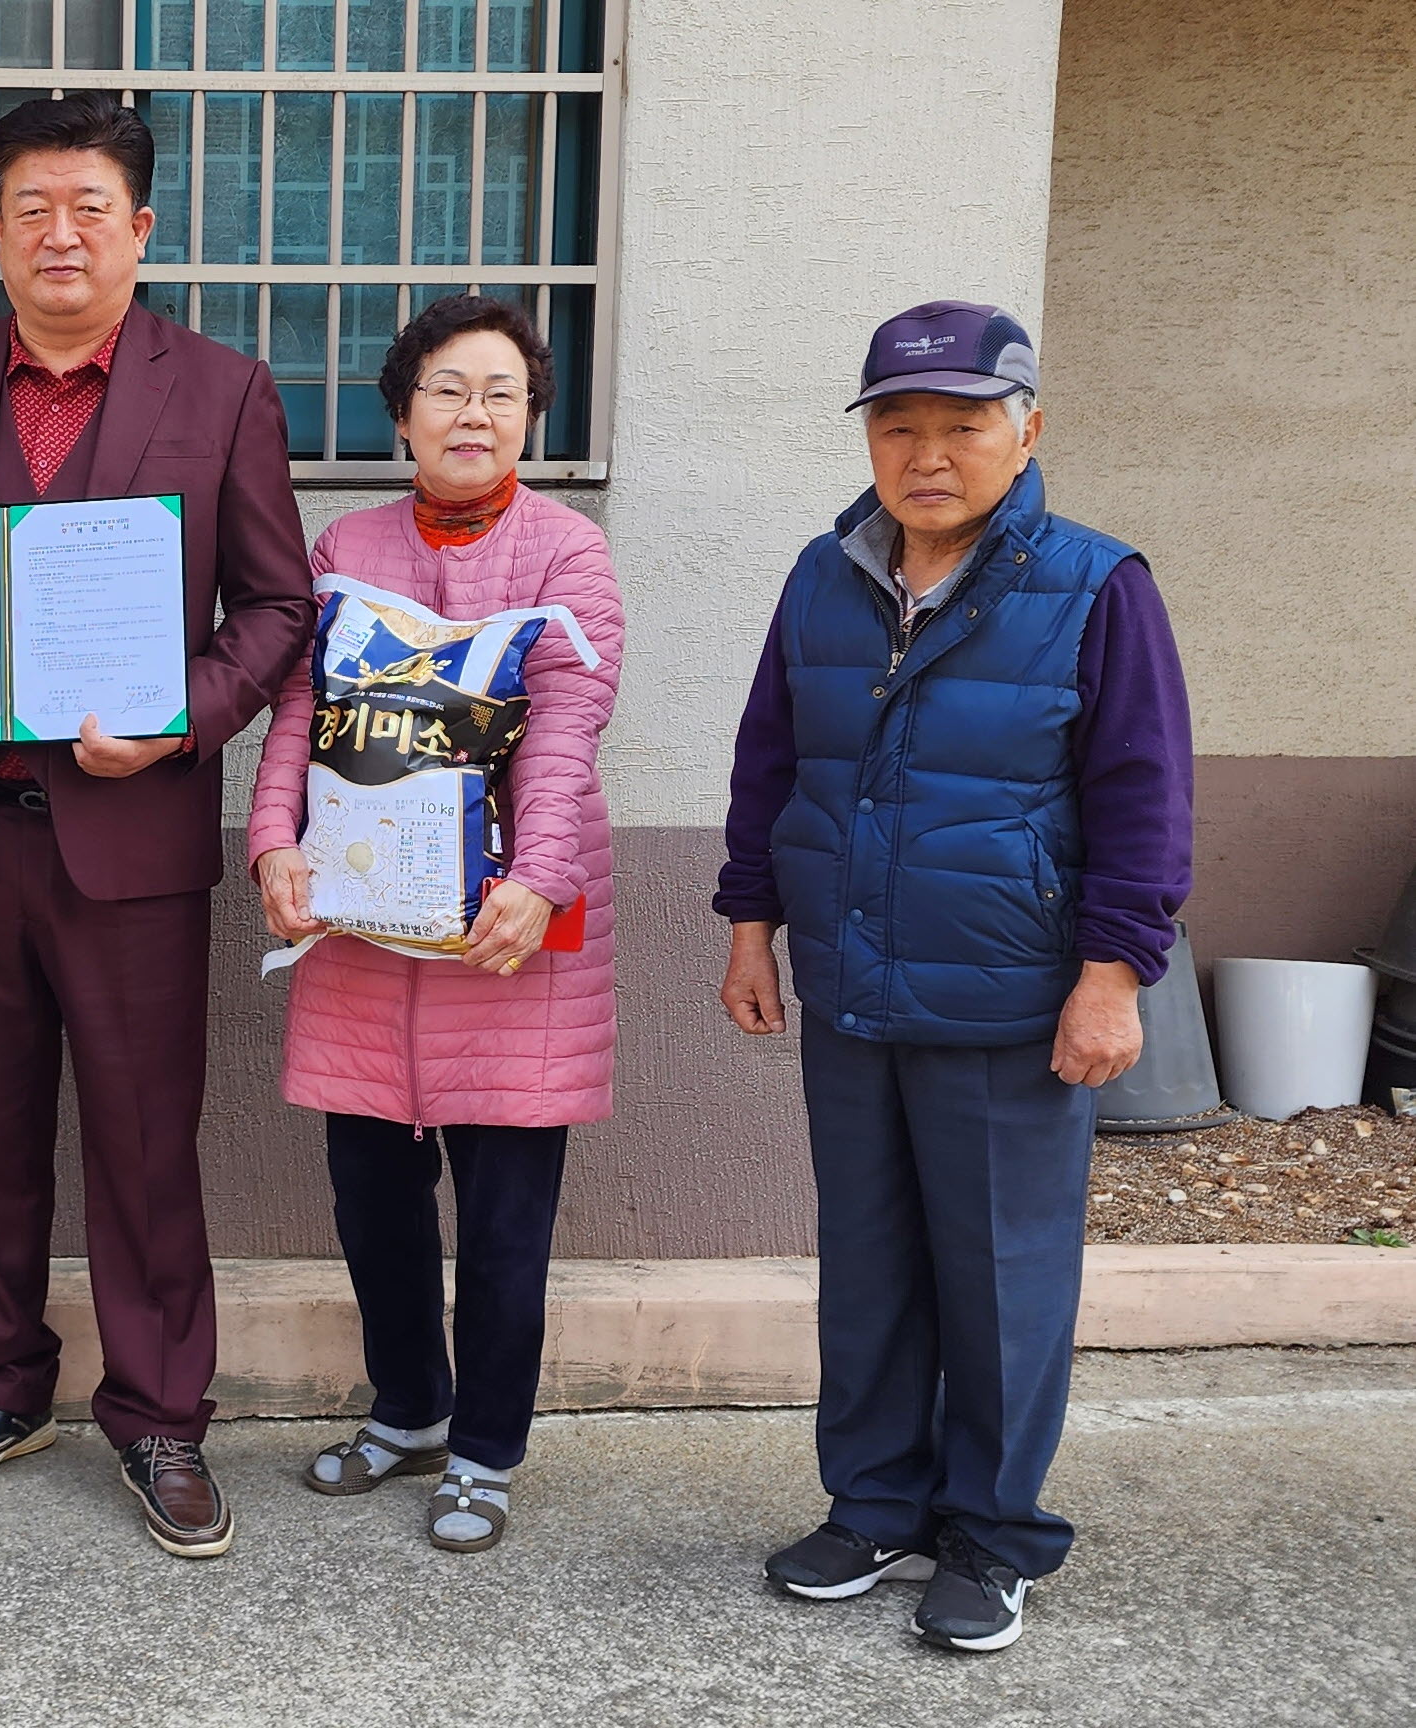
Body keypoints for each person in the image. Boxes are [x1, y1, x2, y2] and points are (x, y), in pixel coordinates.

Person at [0, 96, 314, 1559]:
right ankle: (1, 1387)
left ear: (139, 230)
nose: (58, 233)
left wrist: (182, 715)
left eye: (87, 208)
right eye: (28, 207)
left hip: (126, 843)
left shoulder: (221, 390)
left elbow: (277, 605)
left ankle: (161, 1413)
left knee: (139, 1142)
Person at [718, 301, 1191, 1653]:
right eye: (897, 424)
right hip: (851, 982)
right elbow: (770, 765)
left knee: (998, 1274)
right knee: (866, 1263)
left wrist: (1112, 973)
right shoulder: (824, 576)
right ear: (869, 437)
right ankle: (871, 1504)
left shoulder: (1095, 584)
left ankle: (989, 1535)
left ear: (1024, 428)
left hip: (1010, 997)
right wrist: (750, 925)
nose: (926, 452)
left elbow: (1142, 798)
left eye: (961, 423)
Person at [245, 294, 624, 1553]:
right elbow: (297, 710)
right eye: (447, 388)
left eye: (501, 391)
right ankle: (407, 1408)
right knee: (373, 1202)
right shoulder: (342, 543)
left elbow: (568, 728)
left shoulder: (567, 549)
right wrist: (271, 842)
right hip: (361, 931)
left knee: (507, 1217)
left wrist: (542, 877)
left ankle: (484, 1447)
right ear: (400, 411)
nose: (473, 411)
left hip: (510, 931)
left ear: (530, 417)